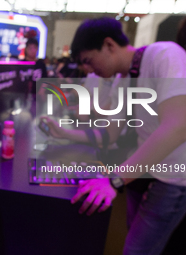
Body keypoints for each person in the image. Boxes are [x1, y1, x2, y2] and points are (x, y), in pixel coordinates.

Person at [42, 17, 186, 254]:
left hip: (172, 179)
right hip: (144, 171)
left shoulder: (165, 55)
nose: (88, 70)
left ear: (109, 45)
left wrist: (114, 179)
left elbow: (178, 126)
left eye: (88, 61)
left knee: (136, 250)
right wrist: (63, 133)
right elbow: (108, 134)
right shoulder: (124, 79)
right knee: (135, 237)